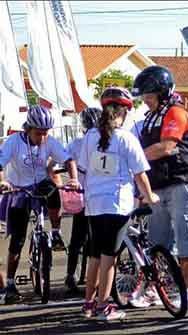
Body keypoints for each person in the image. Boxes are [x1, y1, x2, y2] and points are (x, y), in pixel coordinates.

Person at [79, 87, 159, 321]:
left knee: (95, 255)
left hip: (94, 204)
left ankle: (88, 304)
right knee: (109, 257)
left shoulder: (90, 137)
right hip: (117, 204)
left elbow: (84, 167)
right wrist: (150, 195)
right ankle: (104, 306)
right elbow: (140, 174)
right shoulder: (126, 138)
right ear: (124, 111)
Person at [132, 65, 188, 309]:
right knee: (158, 243)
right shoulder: (149, 117)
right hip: (159, 185)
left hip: (184, 182)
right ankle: (156, 289)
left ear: (162, 93)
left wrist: (133, 161)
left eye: (149, 96)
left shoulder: (175, 112)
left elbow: (166, 146)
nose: (145, 101)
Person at [0, 105, 80, 304]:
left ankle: (55, 231)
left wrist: (74, 179)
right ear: (28, 129)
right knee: (17, 239)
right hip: (19, 187)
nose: (42, 137)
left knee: (54, 192)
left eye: (46, 133)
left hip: (41, 183)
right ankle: (10, 283)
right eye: (38, 133)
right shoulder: (13, 142)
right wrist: (3, 181)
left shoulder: (49, 141)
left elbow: (68, 160)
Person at [62, 107, 102, 294]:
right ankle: (93, 276)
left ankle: (71, 275)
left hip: (83, 195)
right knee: (97, 238)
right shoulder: (106, 142)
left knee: (77, 238)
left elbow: (64, 160)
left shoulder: (77, 144)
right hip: (100, 196)